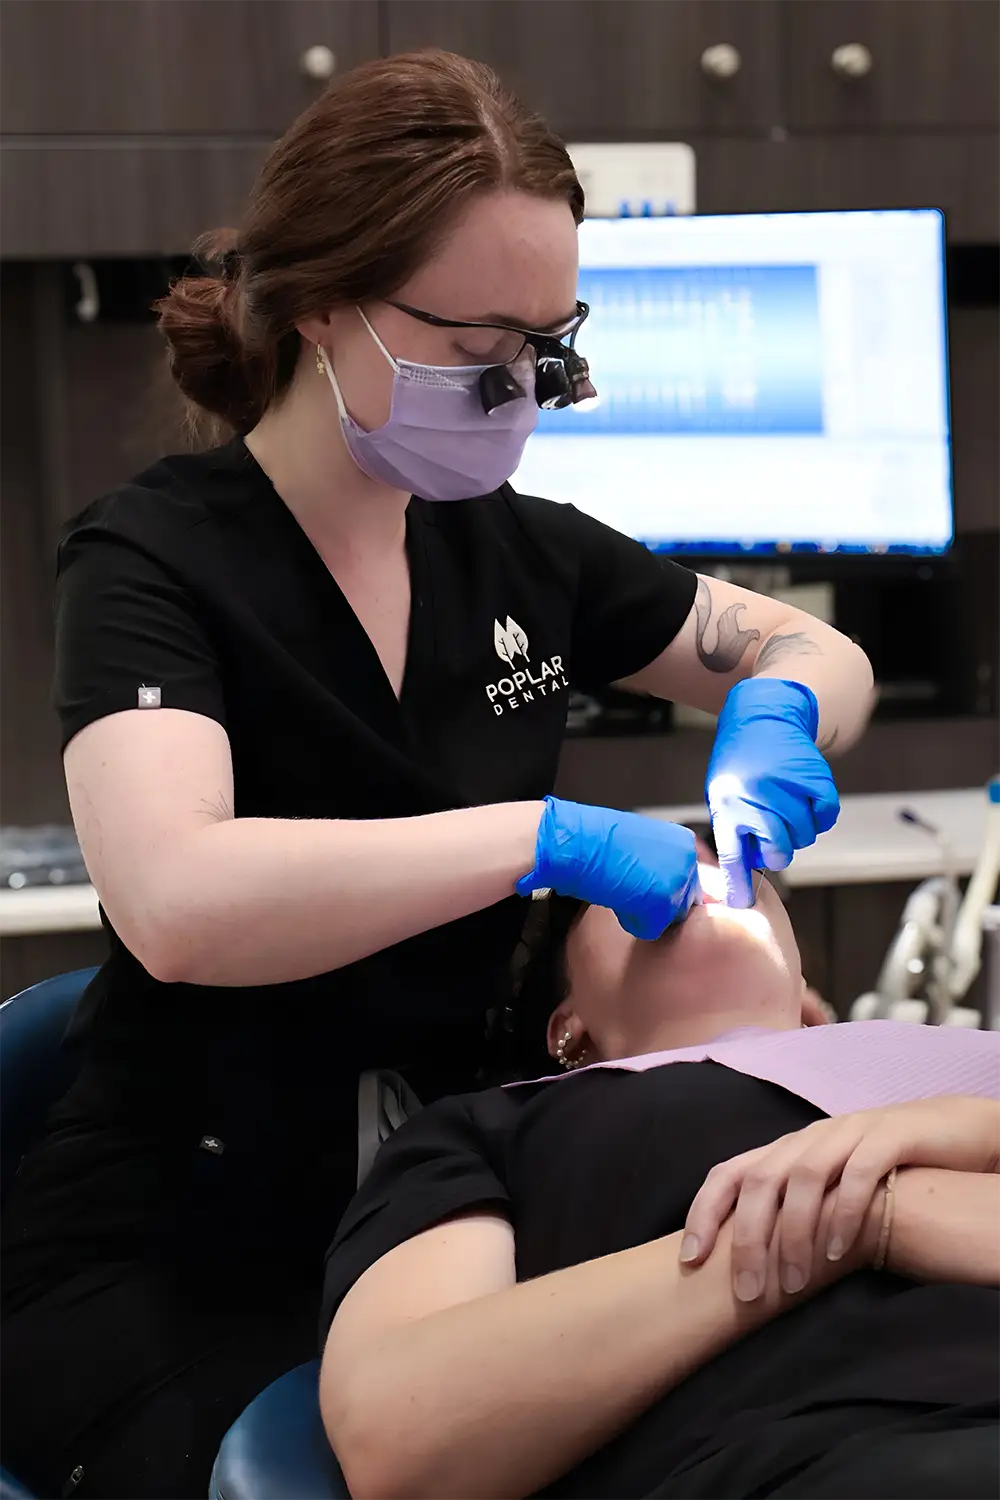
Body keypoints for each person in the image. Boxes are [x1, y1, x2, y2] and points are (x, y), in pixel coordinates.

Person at [0, 48, 873, 1500]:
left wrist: (783, 709)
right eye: (484, 346)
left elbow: (788, 639)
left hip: (444, 1216)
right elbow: (179, 899)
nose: (527, 388)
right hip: (186, 1253)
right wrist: (541, 836)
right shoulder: (155, 563)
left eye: (554, 343)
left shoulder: (514, 548)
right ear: (327, 308)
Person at [319, 866, 1000, 1500]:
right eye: (621, 879)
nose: (696, 866)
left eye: (721, 856)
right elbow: (401, 1435)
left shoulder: (974, 1072)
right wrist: (847, 1221)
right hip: (823, 1462)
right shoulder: (494, 1126)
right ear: (568, 1030)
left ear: (813, 1008)